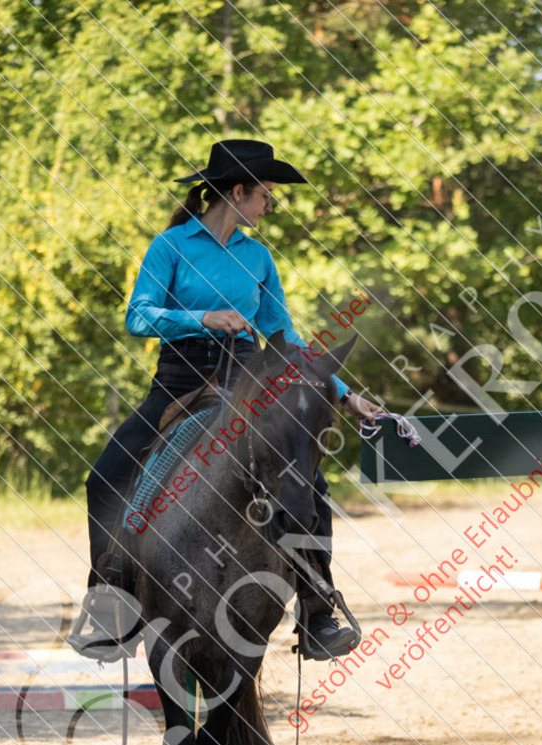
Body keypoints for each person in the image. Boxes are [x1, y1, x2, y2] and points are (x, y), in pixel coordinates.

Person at [68, 139, 380, 662]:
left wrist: (346, 395)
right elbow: (137, 316)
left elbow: (284, 333)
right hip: (178, 379)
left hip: (245, 380)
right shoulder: (169, 246)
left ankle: (317, 609)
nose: (270, 206)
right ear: (236, 192)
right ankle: (112, 604)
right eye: (265, 195)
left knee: (308, 481)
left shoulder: (258, 256)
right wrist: (202, 318)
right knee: (104, 478)